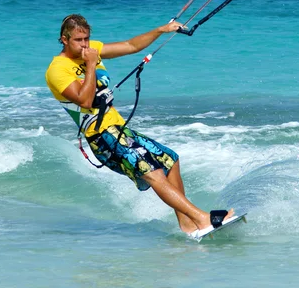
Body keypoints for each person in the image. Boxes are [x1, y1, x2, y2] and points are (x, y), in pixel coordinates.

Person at [45, 14, 235, 238]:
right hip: (101, 135)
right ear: (64, 40)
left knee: (170, 160)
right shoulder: (57, 69)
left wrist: (161, 29)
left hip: (117, 128)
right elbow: (85, 101)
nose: (85, 45)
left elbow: (131, 46)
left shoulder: (92, 50)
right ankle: (202, 218)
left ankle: (187, 224)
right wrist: (90, 64)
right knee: (152, 172)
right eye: (78, 40)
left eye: (87, 39)